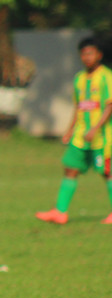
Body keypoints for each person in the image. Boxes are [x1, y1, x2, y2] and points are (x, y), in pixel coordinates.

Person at [36, 36, 112, 225]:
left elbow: (110, 106)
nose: (87, 57)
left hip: (101, 137)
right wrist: (69, 130)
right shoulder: (79, 79)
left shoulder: (106, 77)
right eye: (84, 54)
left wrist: (95, 128)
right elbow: (79, 107)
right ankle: (60, 212)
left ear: (99, 55)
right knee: (70, 168)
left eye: (90, 53)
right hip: (80, 136)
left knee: (107, 172)